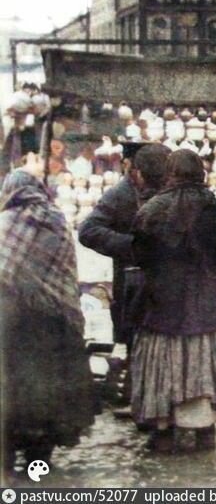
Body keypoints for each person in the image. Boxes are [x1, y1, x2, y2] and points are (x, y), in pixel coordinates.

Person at [129, 150, 216, 453]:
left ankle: (164, 431)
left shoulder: (151, 209)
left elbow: (140, 257)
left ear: (171, 173)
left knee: (163, 361)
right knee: (202, 359)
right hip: (204, 304)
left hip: (162, 303)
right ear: (200, 173)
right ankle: (205, 431)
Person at [1, 155, 96, 475]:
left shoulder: (6, 223)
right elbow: (67, 276)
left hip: (13, 327)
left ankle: (8, 459)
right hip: (54, 326)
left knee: (13, 390)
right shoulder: (57, 219)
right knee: (48, 393)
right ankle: (38, 460)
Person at [79, 142, 170, 352]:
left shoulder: (168, 191)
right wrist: (130, 245)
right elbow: (89, 231)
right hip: (132, 286)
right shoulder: (121, 193)